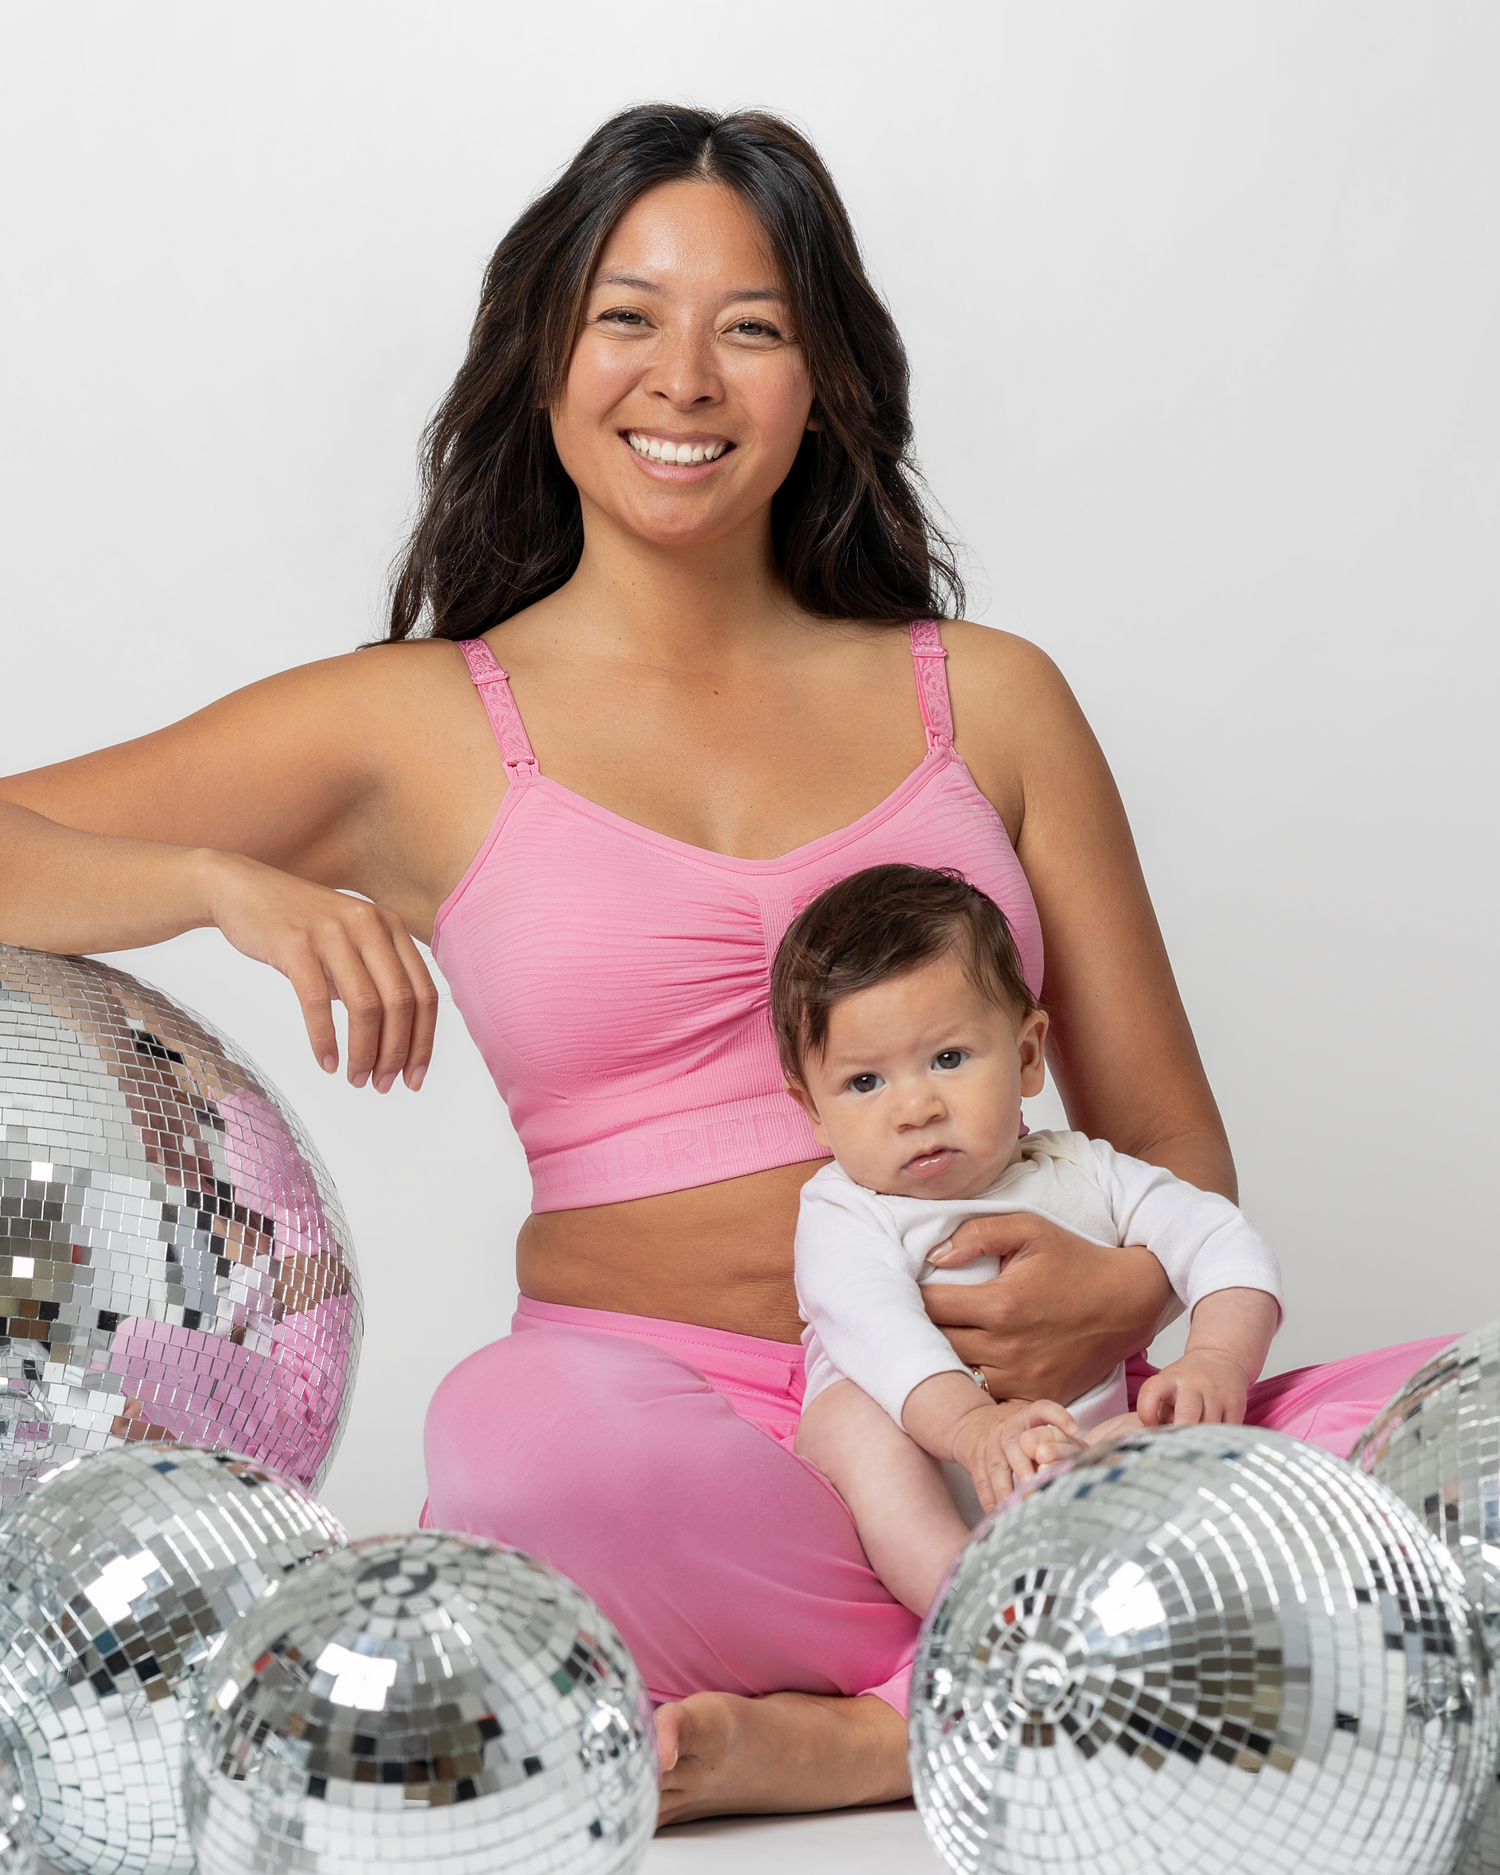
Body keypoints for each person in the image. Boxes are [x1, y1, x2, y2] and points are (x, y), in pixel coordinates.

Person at [0, 104, 1456, 1825]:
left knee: (1447, 1463)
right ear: (540, 357)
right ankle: (1063, 1656)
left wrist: (1132, 1299)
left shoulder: (988, 696)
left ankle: (880, 1721)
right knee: (522, 1451)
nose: (682, 377)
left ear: (826, 377)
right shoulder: (413, 724)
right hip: (678, 1432)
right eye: (629, 316)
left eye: (750, 326)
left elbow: (1175, 1153)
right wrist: (215, 883)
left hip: (1041, 1425)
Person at [770, 862, 1284, 1616]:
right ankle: (965, 1602)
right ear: (811, 1109)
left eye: (948, 1058)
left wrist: (1215, 1359)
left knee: (1163, 1438)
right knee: (849, 1421)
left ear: (1025, 1053)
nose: (914, 1107)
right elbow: (879, 1332)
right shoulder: (844, 1212)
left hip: (1068, 1451)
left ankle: (1085, 1585)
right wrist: (974, 1426)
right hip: (917, 1456)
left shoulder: (1087, 1171)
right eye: (864, 1083)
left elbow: (1226, 1243)